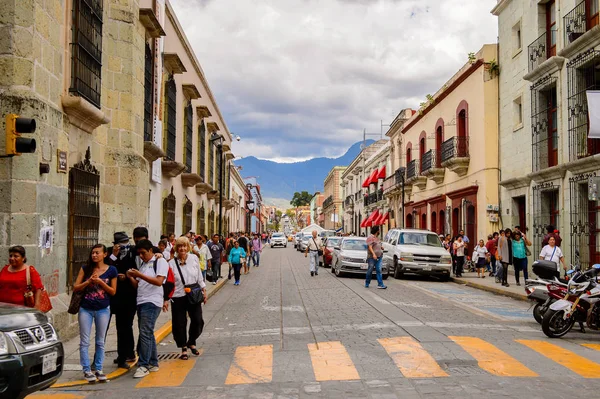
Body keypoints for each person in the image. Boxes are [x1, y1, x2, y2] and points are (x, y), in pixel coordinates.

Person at [73, 244, 117, 382]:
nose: (94, 255)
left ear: (105, 254)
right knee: (84, 341)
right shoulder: (86, 269)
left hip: (103, 309)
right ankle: (86, 370)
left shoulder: (112, 270)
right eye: (93, 253)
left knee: (100, 341)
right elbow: (76, 287)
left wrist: (100, 282)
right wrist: (88, 282)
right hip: (86, 308)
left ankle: (98, 368)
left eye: (97, 253)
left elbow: (113, 291)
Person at [106, 228, 148, 369]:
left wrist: (127, 276)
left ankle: (125, 355)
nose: (124, 246)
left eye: (125, 242)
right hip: (114, 295)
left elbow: (151, 250)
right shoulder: (110, 253)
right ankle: (125, 354)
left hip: (130, 295)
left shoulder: (134, 251)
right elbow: (105, 267)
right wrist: (114, 255)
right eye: (120, 243)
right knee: (119, 327)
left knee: (125, 326)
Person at [126, 239, 168, 378]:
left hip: (152, 301)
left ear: (151, 250)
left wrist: (139, 275)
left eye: (144, 253)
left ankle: (143, 365)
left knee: (144, 332)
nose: (142, 256)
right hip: (142, 300)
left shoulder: (160, 262)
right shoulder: (144, 265)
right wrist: (131, 277)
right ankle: (153, 362)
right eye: (139, 254)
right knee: (147, 333)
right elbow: (138, 285)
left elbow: (158, 281)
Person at [166, 237, 206, 360]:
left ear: (188, 247)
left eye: (184, 246)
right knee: (179, 323)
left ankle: (191, 341)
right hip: (178, 296)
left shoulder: (194, 258)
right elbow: (168, 282)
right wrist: (166, 299)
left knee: (198, 320)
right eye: (180, 246)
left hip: (194, 294)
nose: (182, 249)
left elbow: (199, 276)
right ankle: (183, 347)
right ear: (176, 248)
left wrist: (204, 290)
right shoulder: (171, 263)